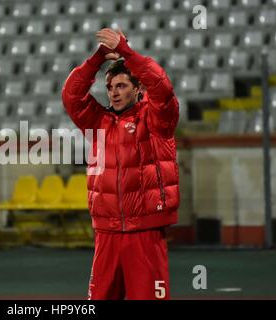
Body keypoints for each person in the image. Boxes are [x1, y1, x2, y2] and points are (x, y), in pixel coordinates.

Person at [61, 28, 180, 300]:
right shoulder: (97, 122)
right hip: (107, 233)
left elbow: (162, 87)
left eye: (122, 85)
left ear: (138, 89)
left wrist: (126, 51)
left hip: (145, 233)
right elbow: (71, 96)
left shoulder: (157, 120)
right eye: (110, 87)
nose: (114, 93)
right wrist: (97, 58)